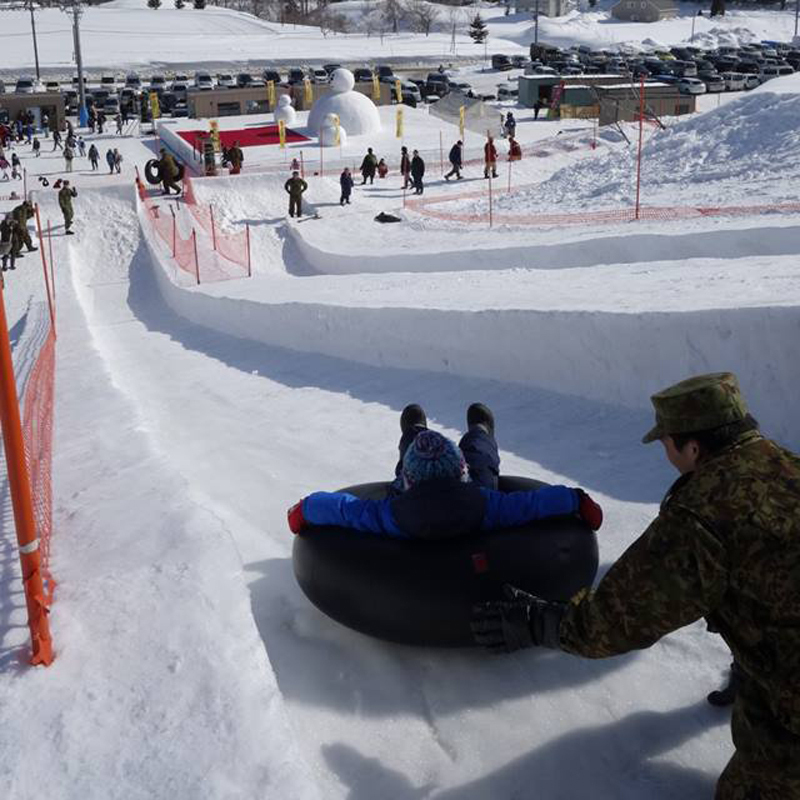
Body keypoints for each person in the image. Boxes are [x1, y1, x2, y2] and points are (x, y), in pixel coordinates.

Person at [471, 372, 800, 800]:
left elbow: (615, 621)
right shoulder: (786, 464)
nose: (665, 451)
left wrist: (537, 623)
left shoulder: (700, 518)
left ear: (694, 446)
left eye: (666, 443)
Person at [288, 403, 602, 539]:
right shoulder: (487, 504)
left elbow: (346, 511)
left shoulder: (392, 515)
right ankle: (479, 431)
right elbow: (533, 504)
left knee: (413, 453)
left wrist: (304, 509)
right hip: (471, 504)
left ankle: (413, 431)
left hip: (410, 506)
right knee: (481, 460)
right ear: (459, 474)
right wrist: (577, 500)